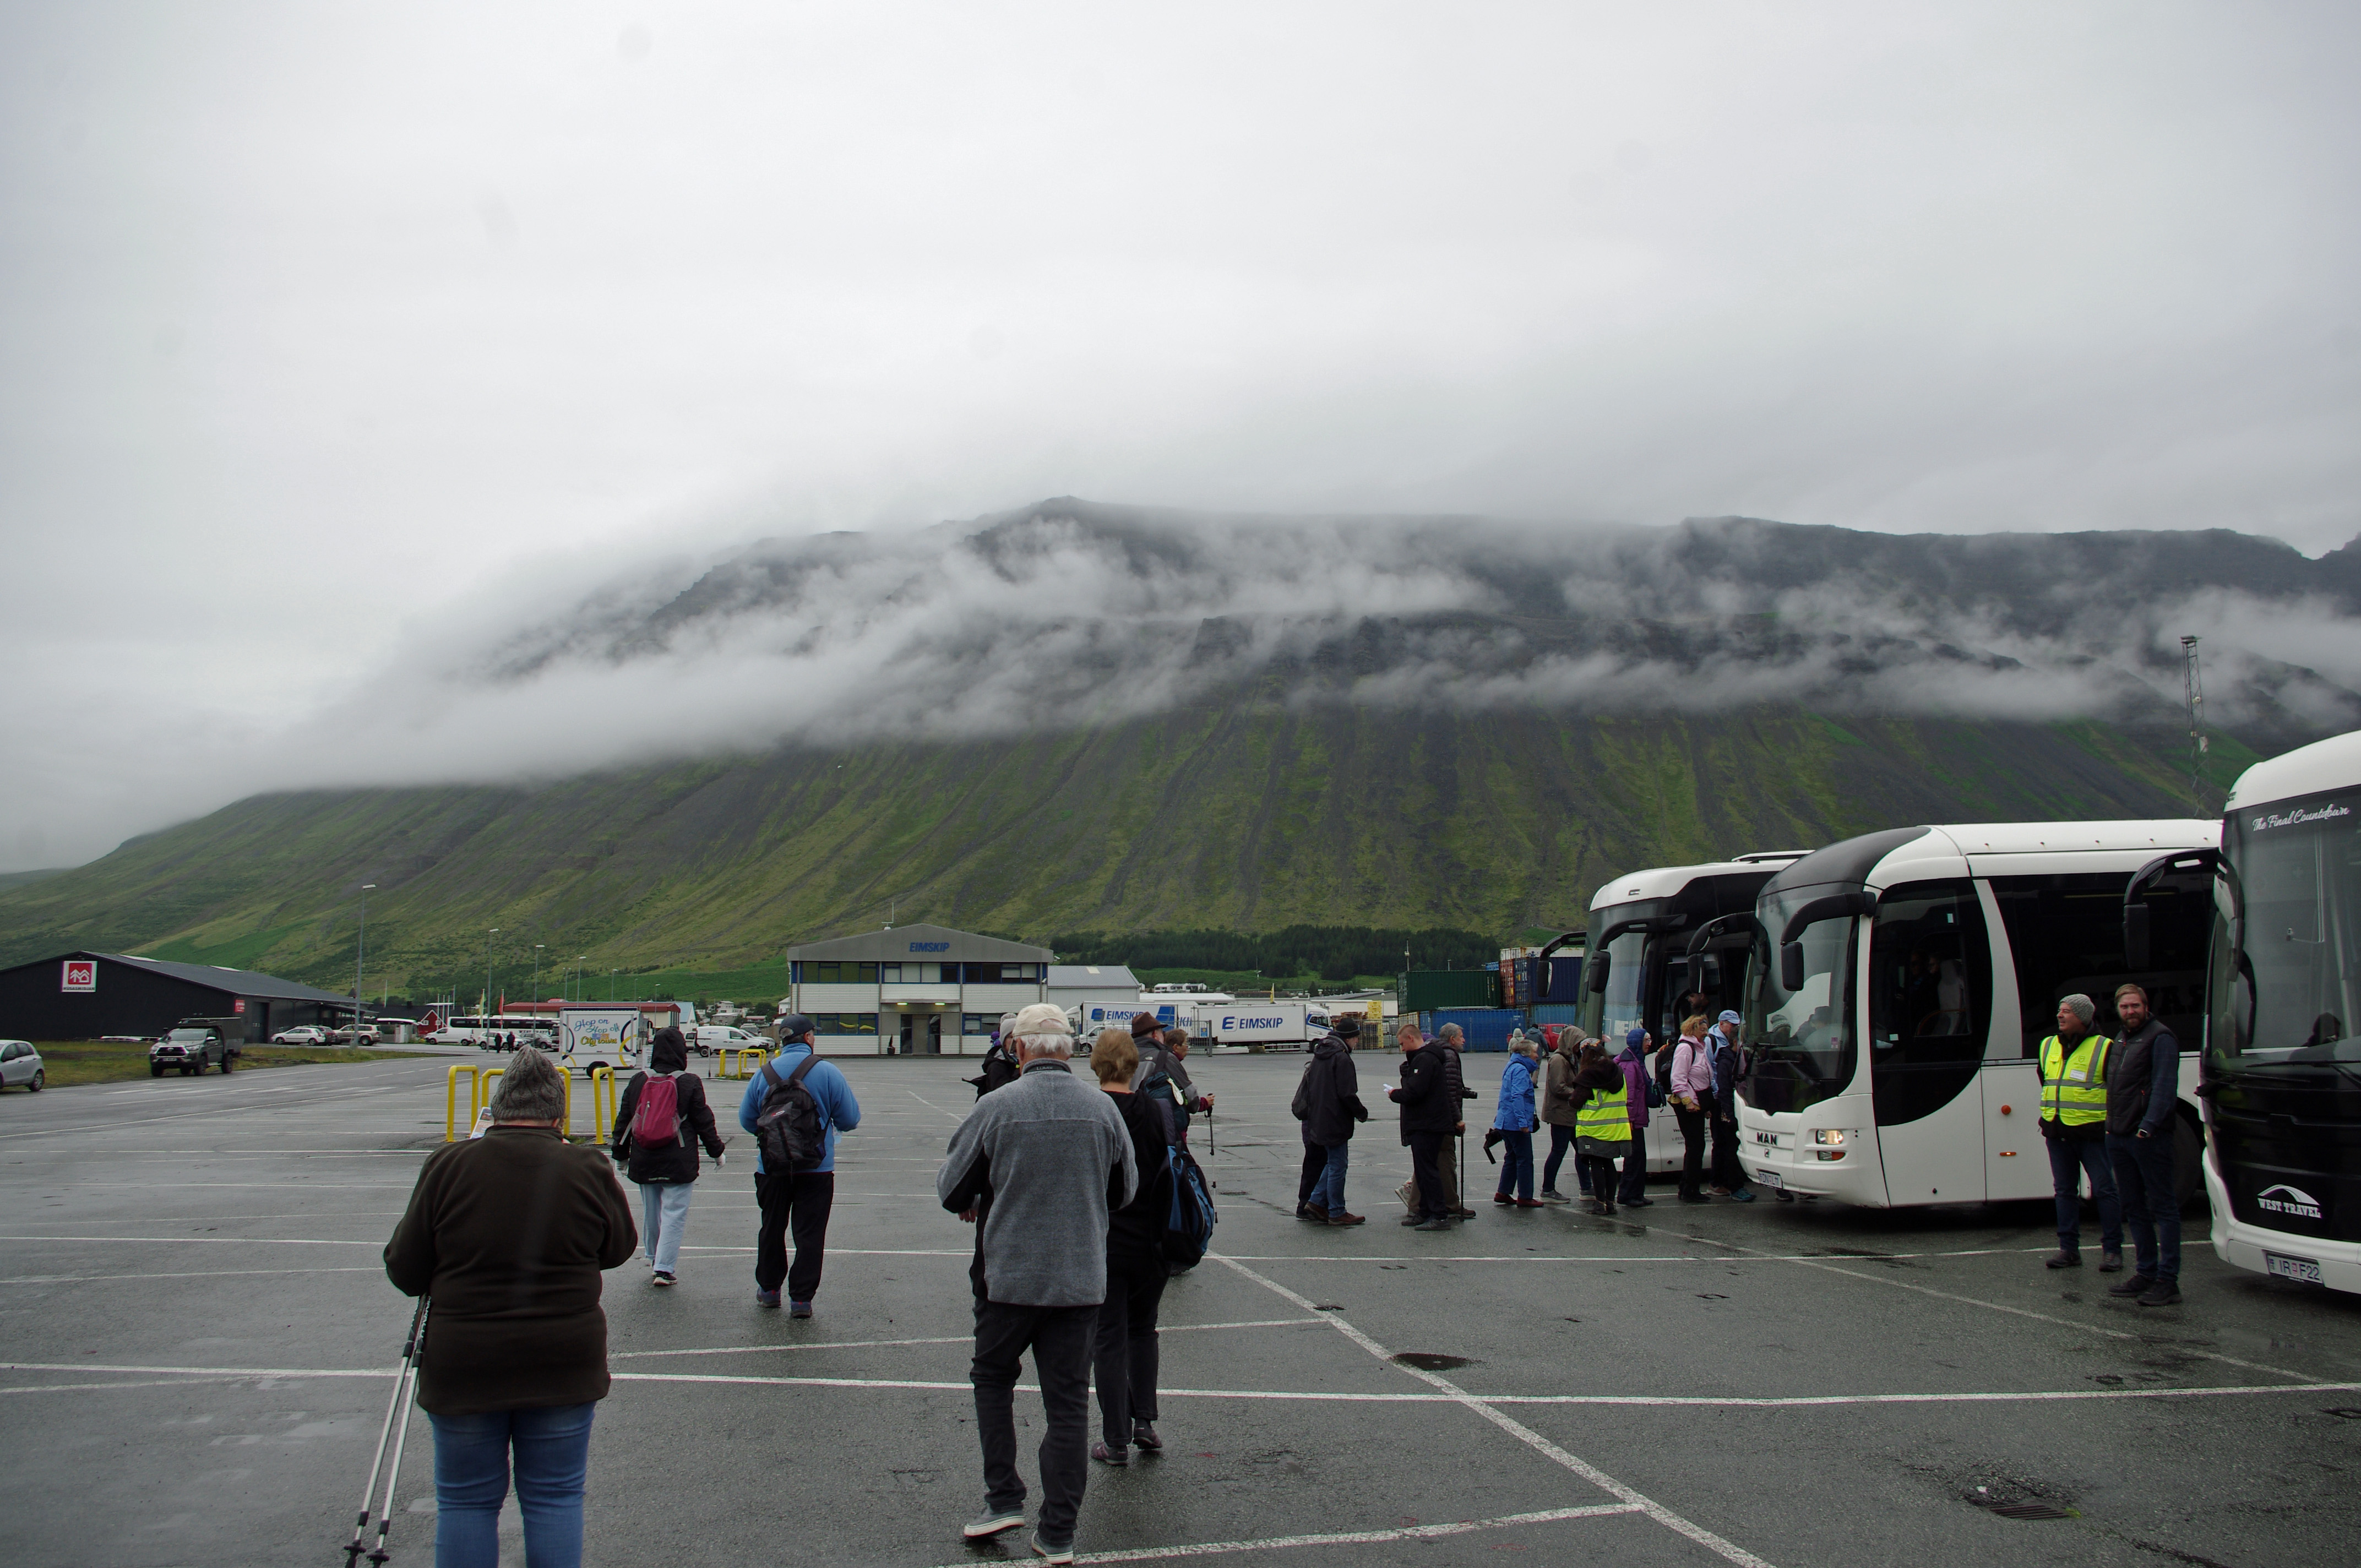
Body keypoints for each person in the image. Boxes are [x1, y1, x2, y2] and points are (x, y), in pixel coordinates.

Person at [384, 1047, 637, 1568]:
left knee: (466, 1499)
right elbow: (618, 1250)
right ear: (559, 1114)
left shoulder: (449, 1165)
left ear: (495, 1109)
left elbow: (405, 1269)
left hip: (466, 1361)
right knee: (555, 1496)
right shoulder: (586, 1165)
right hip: (563, 1359)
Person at [938, 1003, 1136, 1564]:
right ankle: (1057, 1534)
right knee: (1069, 1403)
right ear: (1069, 1049)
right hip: (1078, 1281)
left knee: (992, 1380)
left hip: (1008, 1279)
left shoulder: (996, 1108)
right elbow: (1124, 1191)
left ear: (1018, 1049)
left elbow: (952, 1190)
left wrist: (990, 1190)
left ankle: (1003, 1496)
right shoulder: (1102, 1111)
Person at [1086, 1029, 1178, 1466]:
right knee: (1143, 1331)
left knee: (1108, 1339)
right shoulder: (1154, 1110)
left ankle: (1115, 1438)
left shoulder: (1090, 1112)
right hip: (1151, 1239)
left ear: (1096, 1064)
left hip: (1104, 1240)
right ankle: (1144, 1421)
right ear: (1133, 1064)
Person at [737, 1010, 863, 1316]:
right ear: (808, 1038)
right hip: (816, 1169)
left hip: (771, 1168)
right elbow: (850, 1119)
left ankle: (769, 1290)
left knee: (771, 1228)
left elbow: (747, 1121)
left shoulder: (764, 1073)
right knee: (809, 1234)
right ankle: (801, 1299)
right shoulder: (828, 1072)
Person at [609, 1025, 728, 1286]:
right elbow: (703, 1121)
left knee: (652, 1212)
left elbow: (625, 1120)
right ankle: (664, 1268)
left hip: (643, 1156)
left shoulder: (639, 1080)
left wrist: (620, 1154)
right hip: (679, 1158)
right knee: (675, 1212)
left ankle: (654, 1257)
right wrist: (716, 1151)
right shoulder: (689, 1082)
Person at [2103, 984, 2183, 1304]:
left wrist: (2147, 1128)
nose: (2130, 1012)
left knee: (2163, 1208)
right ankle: (2146, 1272)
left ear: (2146, 1007)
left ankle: (2168, 1281)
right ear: (2118, 1010)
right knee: (2133, 1207)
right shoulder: (2121, 1038)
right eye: (2125, 1007)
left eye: (2135, 1006)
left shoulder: (2161, 1037)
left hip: (2146, 1137)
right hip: (2119, 1136)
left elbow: (2164, 1087)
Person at [2039, 993, 2123, 1272]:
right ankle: (2069, 1250)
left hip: (2092, 1135)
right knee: (2064, 1192)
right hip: (2057, 1131)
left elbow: (2116, 1091)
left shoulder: (2105, 1048)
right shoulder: (2047, 1045)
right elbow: (2046, 1080)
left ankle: (2112, 1251)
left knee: (2104, 1191)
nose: (2060, 1016)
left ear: (2083, 1018)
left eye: (2067, 1012)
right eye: (2059, 1011)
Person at [1296, 1014, 1369, 1225]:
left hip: (1318, 1117)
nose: (1357, 1042)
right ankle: (1336, 1210)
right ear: (1348, 1038)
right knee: (1338, 1165)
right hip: (1335, 1119)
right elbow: (1347, 1093)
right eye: (1356, 1038)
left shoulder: (1320, 1056)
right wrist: (1361, 1112)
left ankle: (1315, 1201)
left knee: (1332, 1163)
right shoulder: (1342, 1058)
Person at [1390, 1019, 1456, 1229]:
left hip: (1428, 1124)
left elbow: (1415, 1092)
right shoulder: (1424, 1059)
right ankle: (1425, 1211)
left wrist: (1395, 1094)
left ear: (1411, 1038)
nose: (1402, 1049)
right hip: (1428, 1122)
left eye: (1402, 1044)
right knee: (1424, 1168)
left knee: (1428, 1170)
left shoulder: (1425, 1060)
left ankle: (1439, 1215)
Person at [1569, 1041, 1633, 1216]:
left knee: (1596, 1165)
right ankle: (1611, 1203)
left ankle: (1599, 1203)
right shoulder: (1617, 1072)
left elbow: (1575, 1102)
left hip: (1594, 1128)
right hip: (1616, 1128)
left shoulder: (1588, 1076)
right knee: (1609, 1164)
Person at [1705, 1011, 1755, 1201]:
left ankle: (1718, 1183)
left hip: (1722, 1105)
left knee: (1721, 1146)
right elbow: (1724, 1087)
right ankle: (1734, 1186)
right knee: (1729, 1147)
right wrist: (1729, 1113)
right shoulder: (1726, 1060)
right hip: (1724, 1106)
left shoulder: (1729, 1057)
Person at [1492, 1034, 1542, 1207]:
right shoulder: (1521, 1070)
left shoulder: (1512, 1066)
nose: (1537, 1055)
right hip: (1515, 1124)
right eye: (1535, 1052)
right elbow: (1517, 1096)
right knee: (1525, 1159)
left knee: (1512, 1157)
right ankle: (1525, 1196)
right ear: (1527, 1054)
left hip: (1506, 1121)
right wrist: (1523, 1123)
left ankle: (1503, 1192)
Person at [1669, 1015, 1714, 1203]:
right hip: (1689, 1106)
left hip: (1698, 1103)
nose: (1706, 1033)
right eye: (1702, 1029)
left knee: (1696, 1146)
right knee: (1696, 1146)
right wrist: (1688, 1101)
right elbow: (1677, 1079)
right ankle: (1690, 1190)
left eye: (1706, 1029)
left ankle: (1687, 1187)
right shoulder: (1685, 1049)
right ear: (1692, 1030)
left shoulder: (1699, 1048)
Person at [1538, 1026, 1585, 1201]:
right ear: (1571, 1042)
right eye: (1578, 1042)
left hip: (1569, 1112)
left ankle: (1587, 1187)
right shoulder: (1559, 1060)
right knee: (1558, 1151)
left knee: (1582, 1150)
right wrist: (1578, 1092)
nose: (1580, 1046)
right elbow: (1558, 1087)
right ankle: (1548, 1189)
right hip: (1560, 1113)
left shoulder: (1570, 1058)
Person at [1434, 1022, 1476, 1217]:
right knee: (1447, 1161)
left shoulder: (1436, 1052)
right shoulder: (1450, 1055)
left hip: (1435, 1118)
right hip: (1445, 1120)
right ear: (1452, 1039)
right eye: (1461, 1037)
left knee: (1431, 1160)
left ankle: (1415, 1202)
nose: (1463, 1040)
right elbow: (1449, 1090)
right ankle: (1451, 1204)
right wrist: (1457, 1119)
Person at [1615, 1028, 1656, 1207]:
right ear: (1637, 1042)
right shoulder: (1629, 1064)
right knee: (1633, 1158)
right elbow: (1629, 1095)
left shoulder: (1637, 1061)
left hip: (1637, 1118)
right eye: (1646, 1040)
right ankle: (1627, 1194)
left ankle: (1638, 1193)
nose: (1650, 1043)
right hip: (1632, 1120)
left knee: (1640, 1157)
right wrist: (1630, 1119)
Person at [967, 1011, 1022, 1099]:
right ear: (1004, 1040)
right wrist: (1019, 1068)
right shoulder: (997, 1065)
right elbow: (1003, 1094)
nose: (1015, 1041)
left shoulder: (1022, 1059)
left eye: (1019, 1036)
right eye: (1011, 1037)